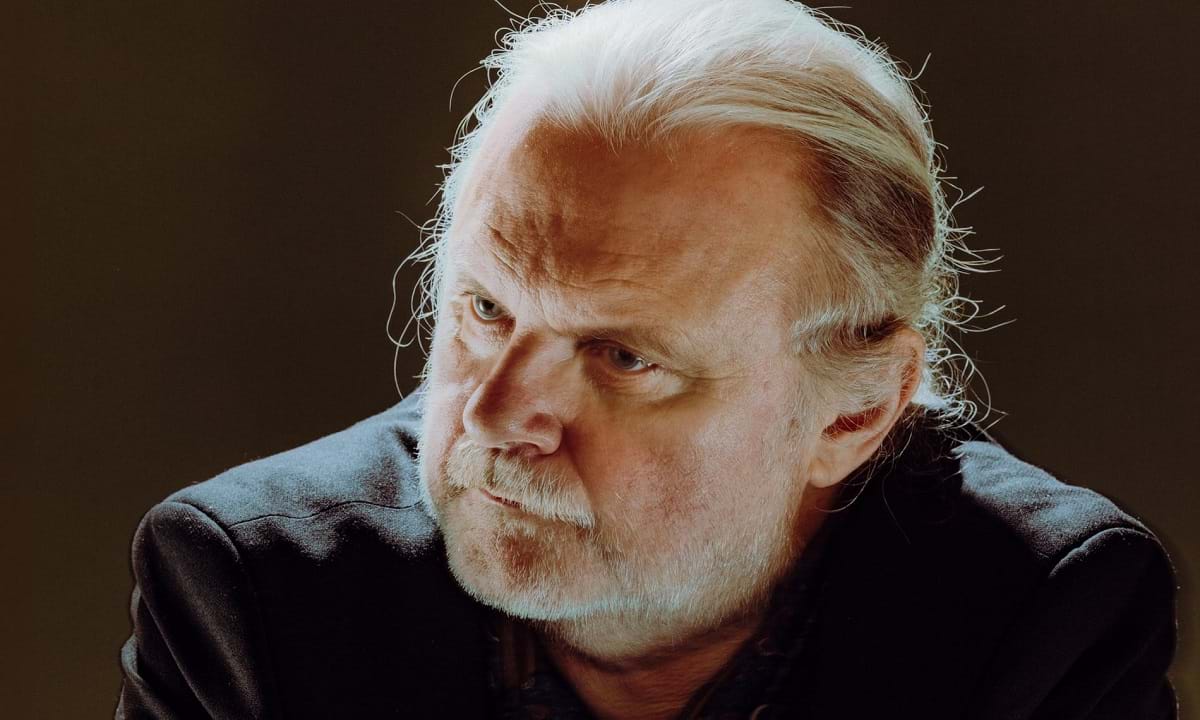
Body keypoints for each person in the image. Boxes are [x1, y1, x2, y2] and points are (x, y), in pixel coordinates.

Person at [116, 0, 1179, 717]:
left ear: (854, 412)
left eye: (623, 356)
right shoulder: (249, 589)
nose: (494, 413)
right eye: (486, 307)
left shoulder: (1043, 614)